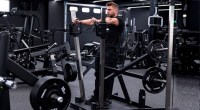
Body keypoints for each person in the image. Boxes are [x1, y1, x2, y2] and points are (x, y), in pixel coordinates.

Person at [73, 2, 124, 106]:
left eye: (109, 9)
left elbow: (110, 21)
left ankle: (106, 98)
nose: (107, 11)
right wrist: (79, 22)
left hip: (111, 52)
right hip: (102, 50)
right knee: (98, 74)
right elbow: (92, 22)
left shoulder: (119, 20)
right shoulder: (105, 20)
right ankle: (96, 96)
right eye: (107, 9)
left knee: (107, 75)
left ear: (115, 10)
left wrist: (97, 20)